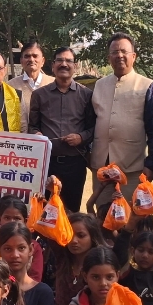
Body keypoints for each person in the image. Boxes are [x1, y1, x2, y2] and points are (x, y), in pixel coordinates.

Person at [90, 33, 153, 209]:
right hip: (101, 170)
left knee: (131, 218)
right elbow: (91, 123)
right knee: (102, 216)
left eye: (124, 51)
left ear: (133, 56)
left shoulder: (146, 85)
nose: (119, 55)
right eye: (115, 52)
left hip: (132, 169)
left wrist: (152, 165)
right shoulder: (99, 85)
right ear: (109, 57)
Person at [28, 47, 95, 212]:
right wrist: (37, 134)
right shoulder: (39, 95)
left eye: (68, 61)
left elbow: (93, 127)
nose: (64, 64)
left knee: (71, 212)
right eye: (59, 60)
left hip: (75, 164)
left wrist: (81, 137)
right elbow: (32, 126)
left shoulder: (86, 95)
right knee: (44, 211)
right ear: (53, 66)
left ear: (75, 66)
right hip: (47, 165)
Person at [46, 210, 107, 305]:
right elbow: (47, 228)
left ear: (92, 237)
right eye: (70, 234)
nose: (74, 241)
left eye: (81, 235)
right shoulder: (62, 259)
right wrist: (52, 200)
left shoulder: (101, 267)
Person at [0, 195, 43, 281]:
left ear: (25, 221)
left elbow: (35, 278)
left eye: (17, 218)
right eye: (7, 218)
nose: (12, 222)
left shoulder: (34, 246)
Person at [7, 41, 51, 107]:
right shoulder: (11, 86)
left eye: (35, 56)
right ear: (21, 61)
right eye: (27, 56)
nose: (31, 59)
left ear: (42, 61)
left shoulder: (54, 84)